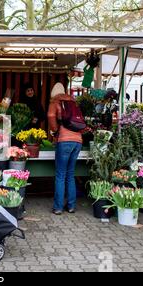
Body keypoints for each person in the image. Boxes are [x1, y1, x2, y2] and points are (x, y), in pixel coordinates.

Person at [47, 82, 82, 215]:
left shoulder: (55, 101)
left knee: (60, 175)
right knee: (70, 174)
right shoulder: (73, 102)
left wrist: (55, 131)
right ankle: (71, 206)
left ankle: (58, 207)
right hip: (78, 140)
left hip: (64, 140)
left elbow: (51, 116)